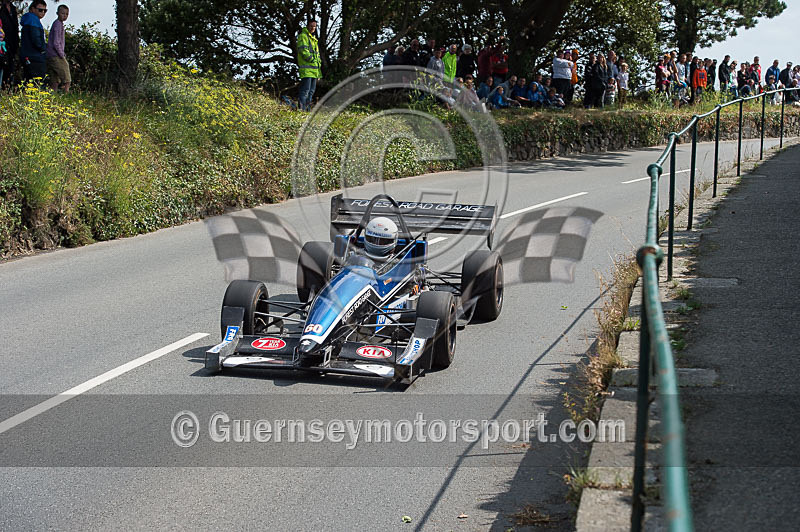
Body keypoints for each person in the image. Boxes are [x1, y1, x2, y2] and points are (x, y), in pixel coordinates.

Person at [19, 0, 47, 82]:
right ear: (32, 9)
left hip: (28, 55)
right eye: (40, 10)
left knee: (28, 80)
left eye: (45, 10)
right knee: (37, 82)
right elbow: (36, 39)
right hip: (35, 56)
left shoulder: (29, 19)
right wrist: (43, 49)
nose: (43, 12)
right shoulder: (32, 20)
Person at [296, 19, 321, 111]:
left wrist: (318, 69)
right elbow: (303, 51)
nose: (313, 28)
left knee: (311, 92)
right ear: (307, 26)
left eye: (314, 26)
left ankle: (307, 110)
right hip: (307, 69)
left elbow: (317, 55)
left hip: (314, 70)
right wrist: (312, 60)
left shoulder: (314, 39)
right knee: (305, 91)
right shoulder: (303, 36)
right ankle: (302, 109)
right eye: (311, 26)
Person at [46, 3, 70, 92]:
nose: (65, 16)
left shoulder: (59, 24)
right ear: (57, 13)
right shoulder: (57, 24)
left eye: (67, 14)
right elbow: (56, 42)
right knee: (66, 75)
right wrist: (61, 54)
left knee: (55, 77)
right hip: (56, 54)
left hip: (51, 54)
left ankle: (54, 94)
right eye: (62, 13)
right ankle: (66, 93)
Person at [0, 0, 19, 88]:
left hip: (11, 47)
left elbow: (15, 29)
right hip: (2, 45)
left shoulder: (13, 8)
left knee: (8, 76)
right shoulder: (1, 7)